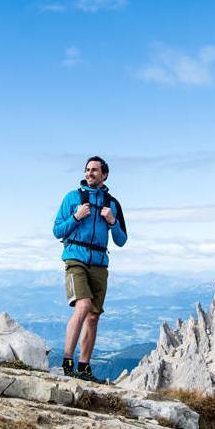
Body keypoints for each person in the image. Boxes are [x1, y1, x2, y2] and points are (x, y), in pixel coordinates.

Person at [53, 156, 127, 381]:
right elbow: (57, 230)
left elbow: (121, 240)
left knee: (93, 316)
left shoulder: (111, 203)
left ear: (104, 175)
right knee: (83, 305)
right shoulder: (72, 198)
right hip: (75, 259)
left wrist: (112, 221)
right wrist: (76, 216)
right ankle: (67, 361)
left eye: (95, 170)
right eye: (87, 170)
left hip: (99, 263)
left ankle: (84, 368)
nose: (89, 173)